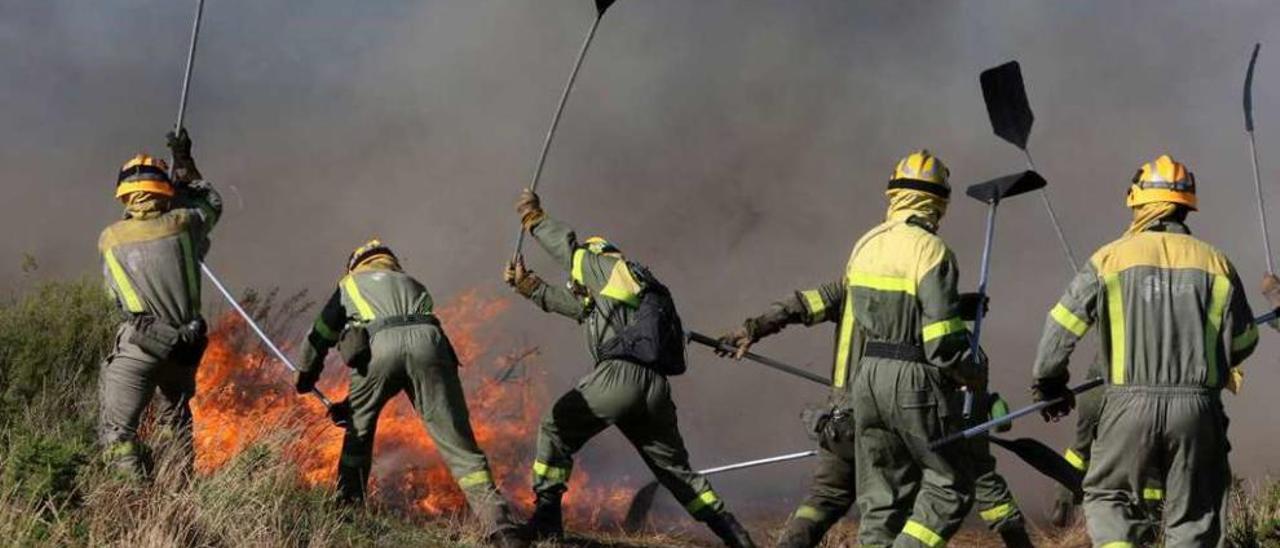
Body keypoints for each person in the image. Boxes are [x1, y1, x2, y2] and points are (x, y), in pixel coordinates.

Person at [716, 151, 1030, 548]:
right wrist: (974, 382)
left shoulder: (864, 253)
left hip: (849, 404)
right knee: (955, 480)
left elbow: (802, 305)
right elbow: (935, 336)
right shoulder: (929, 252)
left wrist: (751, 329)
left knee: (839, 498)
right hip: (904, 400)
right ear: (940, 202)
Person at [503, 190, 756, 547]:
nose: (577, 286)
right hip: (655, 389)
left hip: (619, 375)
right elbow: (582, 311)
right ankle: (736, 536)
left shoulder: (603, 263)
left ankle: (546, 520)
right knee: (676, 472)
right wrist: (530, 287)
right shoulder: (634, 290)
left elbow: (570, 251)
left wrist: (536, 220)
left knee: (555, 427)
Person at [1030, 154, 1256, 546]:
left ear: (1136, 202)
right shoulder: (1216, 262)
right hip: (1197, 411)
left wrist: (1050, 384)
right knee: (1196, 513)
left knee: (1108, 497)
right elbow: (1244, 343)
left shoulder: (1110, 258)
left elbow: (1059, 328)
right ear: (1187, 205)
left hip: (1125, 404)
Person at [296, 240, 524, 547]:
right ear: (388, 261)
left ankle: (347, 513)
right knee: (459, 443)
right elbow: (406, 342)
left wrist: (306, 376)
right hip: (430, 345)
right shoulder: (411, 282)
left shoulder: (349, 284)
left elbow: (320, 335)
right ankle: (502, 527)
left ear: (356, 264)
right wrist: (349, 404)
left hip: (378, 349)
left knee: (358, 435)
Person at [98, 129, 221, 477]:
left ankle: (131, 502)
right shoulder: (184, 224)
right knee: (175, 420)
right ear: (163, 192)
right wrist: (185, 165)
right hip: (185, 347)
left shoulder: (109, 239)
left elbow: (114, 296)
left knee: (118, 432)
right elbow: (211, 203)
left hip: (141, 347)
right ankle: (179, 490)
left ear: (124, 196)